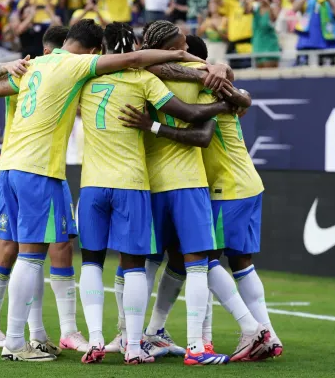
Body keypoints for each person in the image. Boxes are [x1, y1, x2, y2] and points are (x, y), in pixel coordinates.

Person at [0, 19, 205, 362]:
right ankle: (14, 341)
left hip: (9, 167)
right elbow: (132, 61)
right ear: (93, 49)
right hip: (41, 169)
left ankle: (38, 334)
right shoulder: (77, 64)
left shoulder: (36, 64)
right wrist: (183, 55)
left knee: (44, 254)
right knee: (31, 255)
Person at [76, 22, 239, 365]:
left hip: (102, 183)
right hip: (150, 183)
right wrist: (227, 100)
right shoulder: (149, 78)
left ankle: (105, 338)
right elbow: (193, 116)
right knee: (186, 265)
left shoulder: (84, 78)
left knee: (96, 261)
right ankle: (184, 346)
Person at [118, 35, 283, 361]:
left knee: (202, 261)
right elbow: (240, 95)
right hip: (242, 183)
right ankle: (266, 335)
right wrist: (231, 88)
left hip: (225, 186)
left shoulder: (205, 87)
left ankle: (251, 331)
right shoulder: (209, 82)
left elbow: (202, 132)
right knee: (233, 263)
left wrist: (151, 126)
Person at [0, 26, 91, 355]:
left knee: (60, 246)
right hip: (21, 167)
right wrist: (7, 65)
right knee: (14, 249)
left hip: (50, 169)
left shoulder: (61, 76)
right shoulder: (30, 70)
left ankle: (54, 332)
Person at [249, 0, 281, 68]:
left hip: (270, 46)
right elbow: (246, 10)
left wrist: (268, 5)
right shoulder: (255, 6)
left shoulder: (274, 6)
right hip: (257, 45)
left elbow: (274, 19)